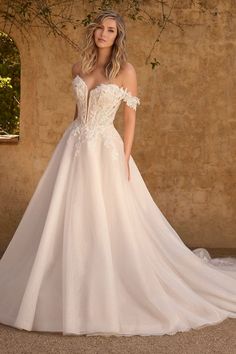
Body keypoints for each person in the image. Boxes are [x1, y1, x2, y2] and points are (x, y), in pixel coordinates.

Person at [0, 9, 236, 337]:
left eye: (110, 30)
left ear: (117, 36)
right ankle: (65, 279)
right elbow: (77, 112)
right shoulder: (78, 66)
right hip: (75, 146)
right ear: (94, 32)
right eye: (100, 28)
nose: (103, 33)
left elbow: (129, 120)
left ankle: (105, 283)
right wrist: (72, 139)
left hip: (106, 151)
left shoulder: (126, 71)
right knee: (69, 213)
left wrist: (124, 159)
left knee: (107, 215)